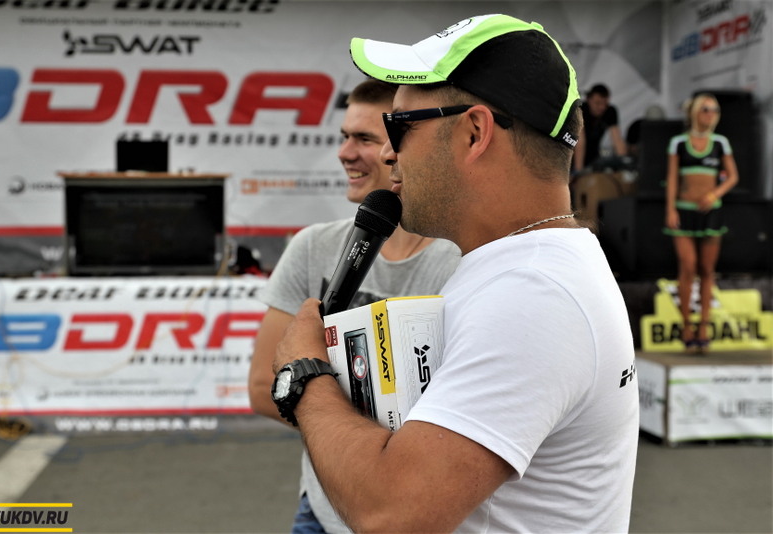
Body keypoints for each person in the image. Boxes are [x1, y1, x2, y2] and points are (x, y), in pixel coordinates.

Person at [270, 14, 639, 533]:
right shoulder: (535, 267)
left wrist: (305, 373)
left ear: (474, 132)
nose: (387, 152)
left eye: (399, 126)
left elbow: (391, 514)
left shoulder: (531, 293)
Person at [247, 79, 461, 533]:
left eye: (364, 138)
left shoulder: (463, 263)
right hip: (322, 514)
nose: (345, 153)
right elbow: (264, 386)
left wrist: (316, 392)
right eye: (344, 136)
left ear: (402, 148)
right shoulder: (313, 247)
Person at [664, 93, 739, 354]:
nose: (711, 113)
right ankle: (686, 325)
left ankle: (704, 327)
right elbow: (672, 179)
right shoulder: (678, 143)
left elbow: (733, 176)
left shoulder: (720, 143)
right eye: (706, 108)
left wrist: (714, 194)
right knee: (688, 266)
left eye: (715, 109)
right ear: (695, 111)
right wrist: (670, 209)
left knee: (707, 269)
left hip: (711, 214)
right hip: (684, 213)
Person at [573, 83, 627, 172]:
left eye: (605, 103)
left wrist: (624, 163)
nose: (602, 107)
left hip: (593, 157)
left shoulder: (610, 111)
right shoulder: (580, 110)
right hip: (573, 157)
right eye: (597, 103)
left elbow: (617, 139)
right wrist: (579, 171)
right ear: (588, 100)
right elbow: (580, 141)